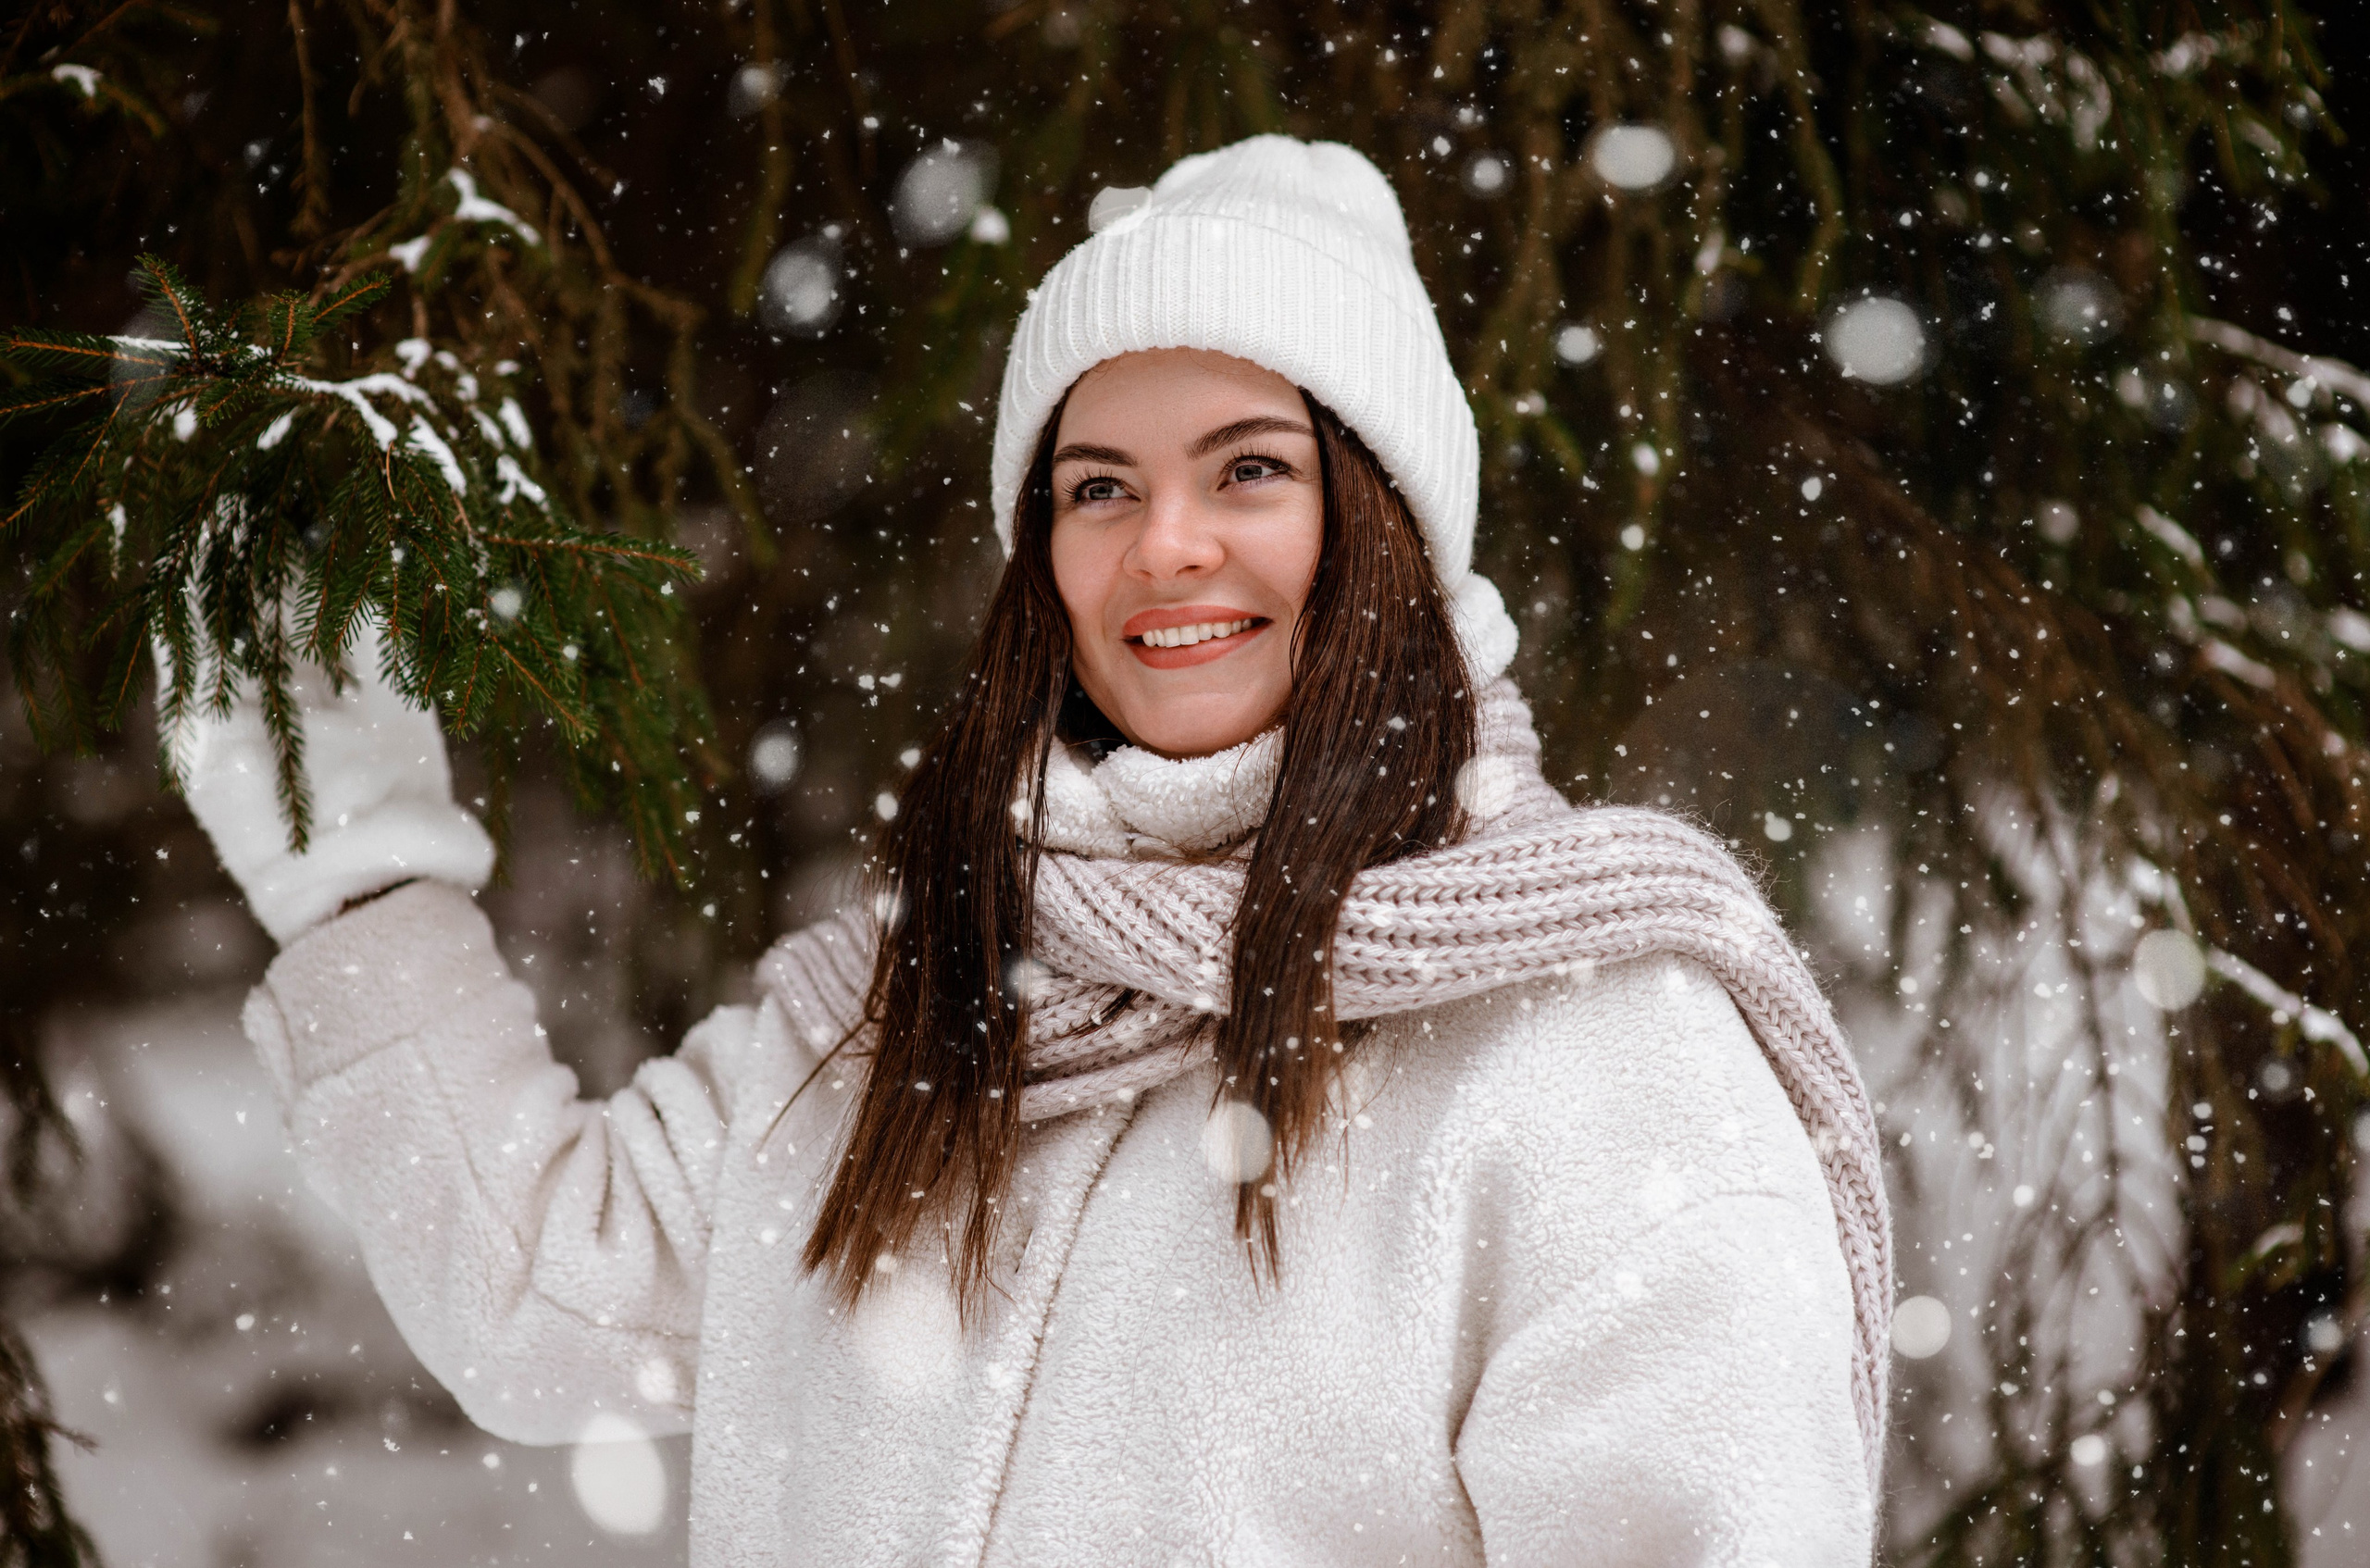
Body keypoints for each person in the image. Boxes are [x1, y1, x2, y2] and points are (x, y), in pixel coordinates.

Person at [175, 135, 1889, 1564]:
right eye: (1098, 486)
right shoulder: (921, 1003)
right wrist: (355, 867)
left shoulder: (1593, 1046)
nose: (1171, 546)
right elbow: (547, 1295)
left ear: (1386, 526)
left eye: (1253, 468)